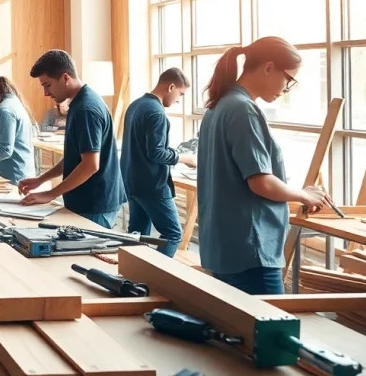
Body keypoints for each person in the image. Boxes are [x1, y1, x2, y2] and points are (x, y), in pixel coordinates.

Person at [198, 36, 332, 295]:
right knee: (271, 331)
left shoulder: (219, 106)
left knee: (241, 329)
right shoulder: (243, 110)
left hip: (224, 247)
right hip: (251, 252)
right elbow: (261, 182)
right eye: (288, 79)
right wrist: (304, 194)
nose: (286, 89)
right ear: (269, 67)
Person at [19, 50, 126, 229]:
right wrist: (41, 180)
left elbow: (90, 165)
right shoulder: (78, 103)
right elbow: (74, 157)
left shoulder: (86, 109)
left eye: (48, 85)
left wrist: (51, 194)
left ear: (65, 78)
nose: (45, 93)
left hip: (93, 204)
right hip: (87, 202)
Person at [121, 68, 196, 258]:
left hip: (131, 181)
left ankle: (133, 275)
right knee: (172, 234)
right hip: (151, 185)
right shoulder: (157, 113)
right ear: (171, 87)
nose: (179, 100)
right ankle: (156, 277)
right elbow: (156, 153)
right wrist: (185, 158)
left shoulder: (135, 105)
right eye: (180, 94)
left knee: (138, 234)